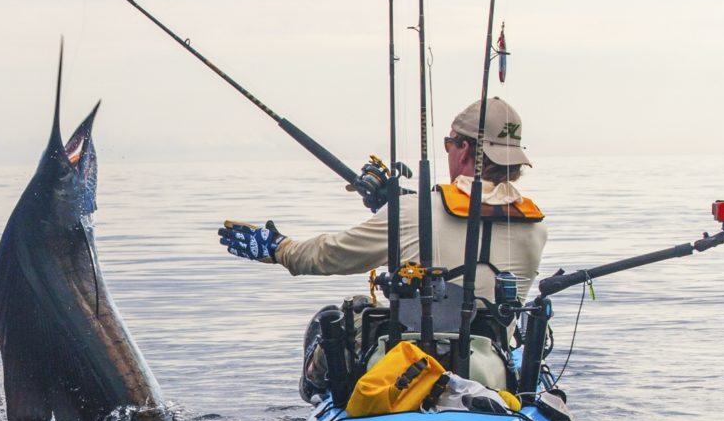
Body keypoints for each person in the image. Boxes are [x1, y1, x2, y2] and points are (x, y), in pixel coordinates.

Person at [218, 97, 548, 399]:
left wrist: (279, 249)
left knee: (335, 319)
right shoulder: (535, 226)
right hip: (490, 366)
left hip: (407, 367)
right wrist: (400, 203)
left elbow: (331, 255)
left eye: (448, 144)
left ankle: (318, 394)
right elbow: (462, 219)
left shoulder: (412, 212)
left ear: (463, 150)